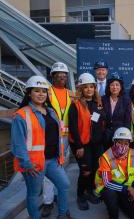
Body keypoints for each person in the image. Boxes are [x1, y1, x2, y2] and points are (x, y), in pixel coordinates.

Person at [11, 75, 71, 219]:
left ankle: (63, 215)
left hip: (53, 160)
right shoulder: (21, 115)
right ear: (29, 93)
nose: (41, 94)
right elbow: (18, 144)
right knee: (34, 194)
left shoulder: (51, 112)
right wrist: (26, 164)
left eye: (43, 91)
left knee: (64, 185)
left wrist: (60, 157)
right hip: (34, 164)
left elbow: (57, 137)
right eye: (36, 91)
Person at [68, 73, 105, 210]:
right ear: (81, 89)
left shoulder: (98, 103)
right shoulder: (75, 105)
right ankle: (80, 195)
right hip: (81, 144)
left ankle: (89, 191)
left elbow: (100, 121)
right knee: (86, 171)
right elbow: (73, 128)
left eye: (91, 87)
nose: (89, 89)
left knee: (94, 168)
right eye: (86, 87)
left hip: (95, 143)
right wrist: (79, 146)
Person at [42, 62, 73, 217]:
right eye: (59, 76)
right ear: (52, 77)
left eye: (64, 76)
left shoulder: (70, 93)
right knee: (49, 168)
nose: (62, 78)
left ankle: (57, 195)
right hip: (51, 137)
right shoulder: (46, 92)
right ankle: (48, 201)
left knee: (60, 169)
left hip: (66, 137)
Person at [94, 127, 134, 219]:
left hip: (125, 187)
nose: (122, 146)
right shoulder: (106, 157)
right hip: (109, 187)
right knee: (111, 197)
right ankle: (113, 212)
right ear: (114, 141)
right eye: (119, 142)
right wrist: (128, 189)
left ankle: (121, 200)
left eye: (126, 143)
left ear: (129, 143)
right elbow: (107, 182)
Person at [102, 72, 131, 151]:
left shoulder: (126, 101)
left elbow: (128, 120)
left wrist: (126, 138)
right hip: (105, 137)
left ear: (121, 87)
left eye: (117, 85)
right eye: (112, 85)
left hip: (120, 138)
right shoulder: (103, 99)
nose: (114, 87)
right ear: (108, 87)